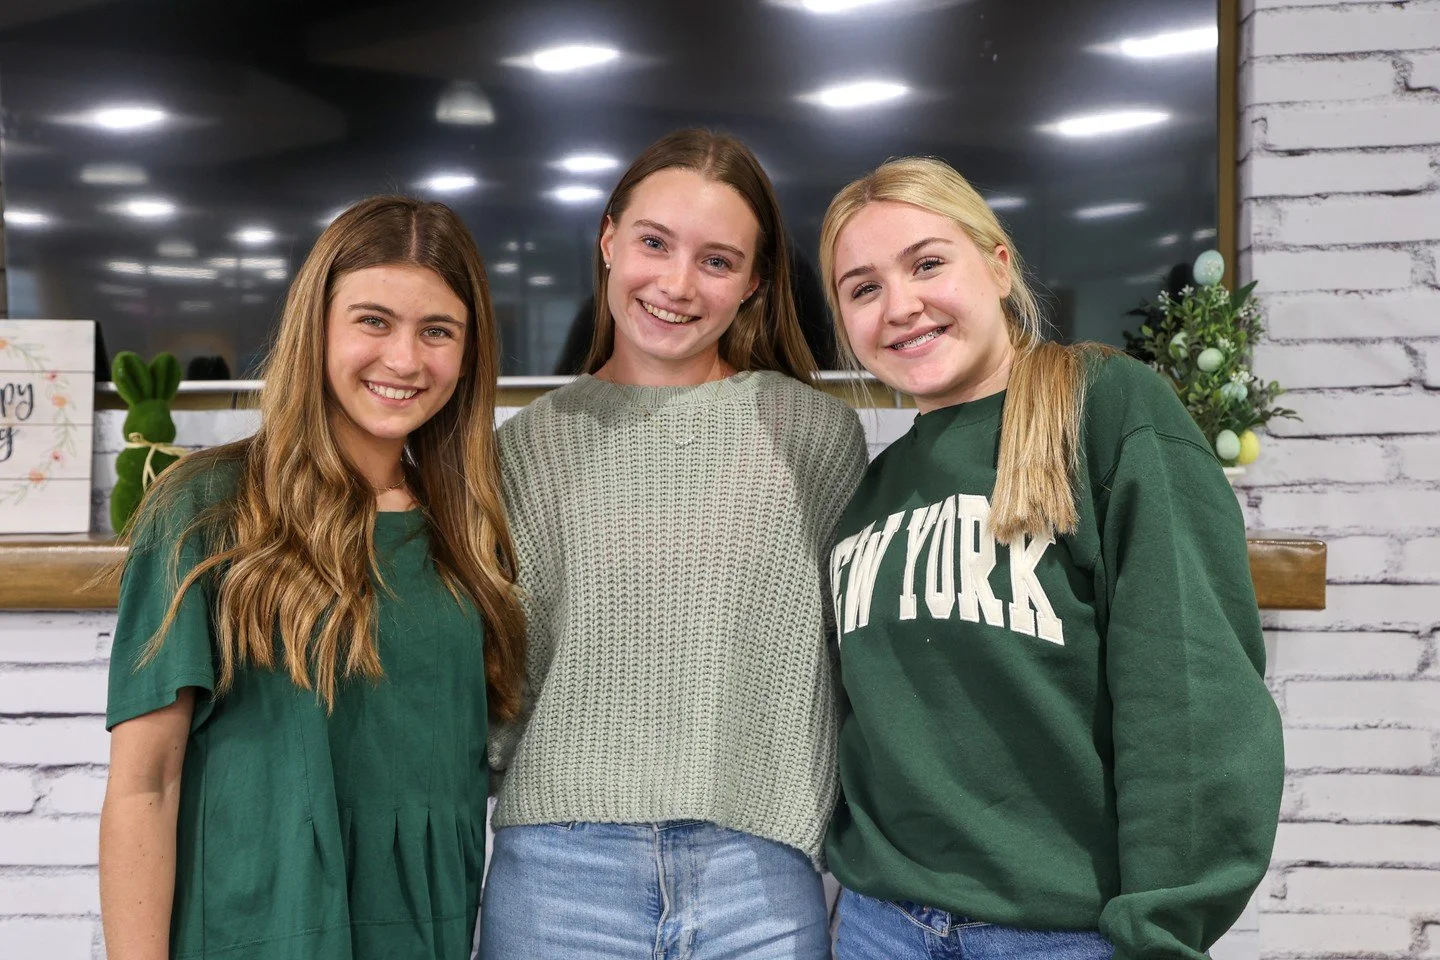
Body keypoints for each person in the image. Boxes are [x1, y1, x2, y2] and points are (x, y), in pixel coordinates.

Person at [816, 157, 1283, 960]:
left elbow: (1192, 693)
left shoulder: (1109, 409)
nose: (900, 306)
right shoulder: (872, 490)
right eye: (862, 288)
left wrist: (1163, 929)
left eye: (928, 263)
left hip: (1063, 939)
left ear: (998, 265)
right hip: (876, 928)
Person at [98, 196, 525, 960]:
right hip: (245, 934)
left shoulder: (469, 529)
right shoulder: (203, 508)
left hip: (422, 937)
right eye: (373, 321)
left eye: (437, 332)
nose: (405, 360)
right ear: (316, 326)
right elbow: (145, 784)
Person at [481, 128, 868, 960]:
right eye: (654, 242)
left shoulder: (816, 436)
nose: (677, 283)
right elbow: (501, 676)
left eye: (718, 261)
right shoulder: (525, 448)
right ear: (609, 239)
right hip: (557, 877)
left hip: (759, 876)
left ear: (755, 284)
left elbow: (853, 665)